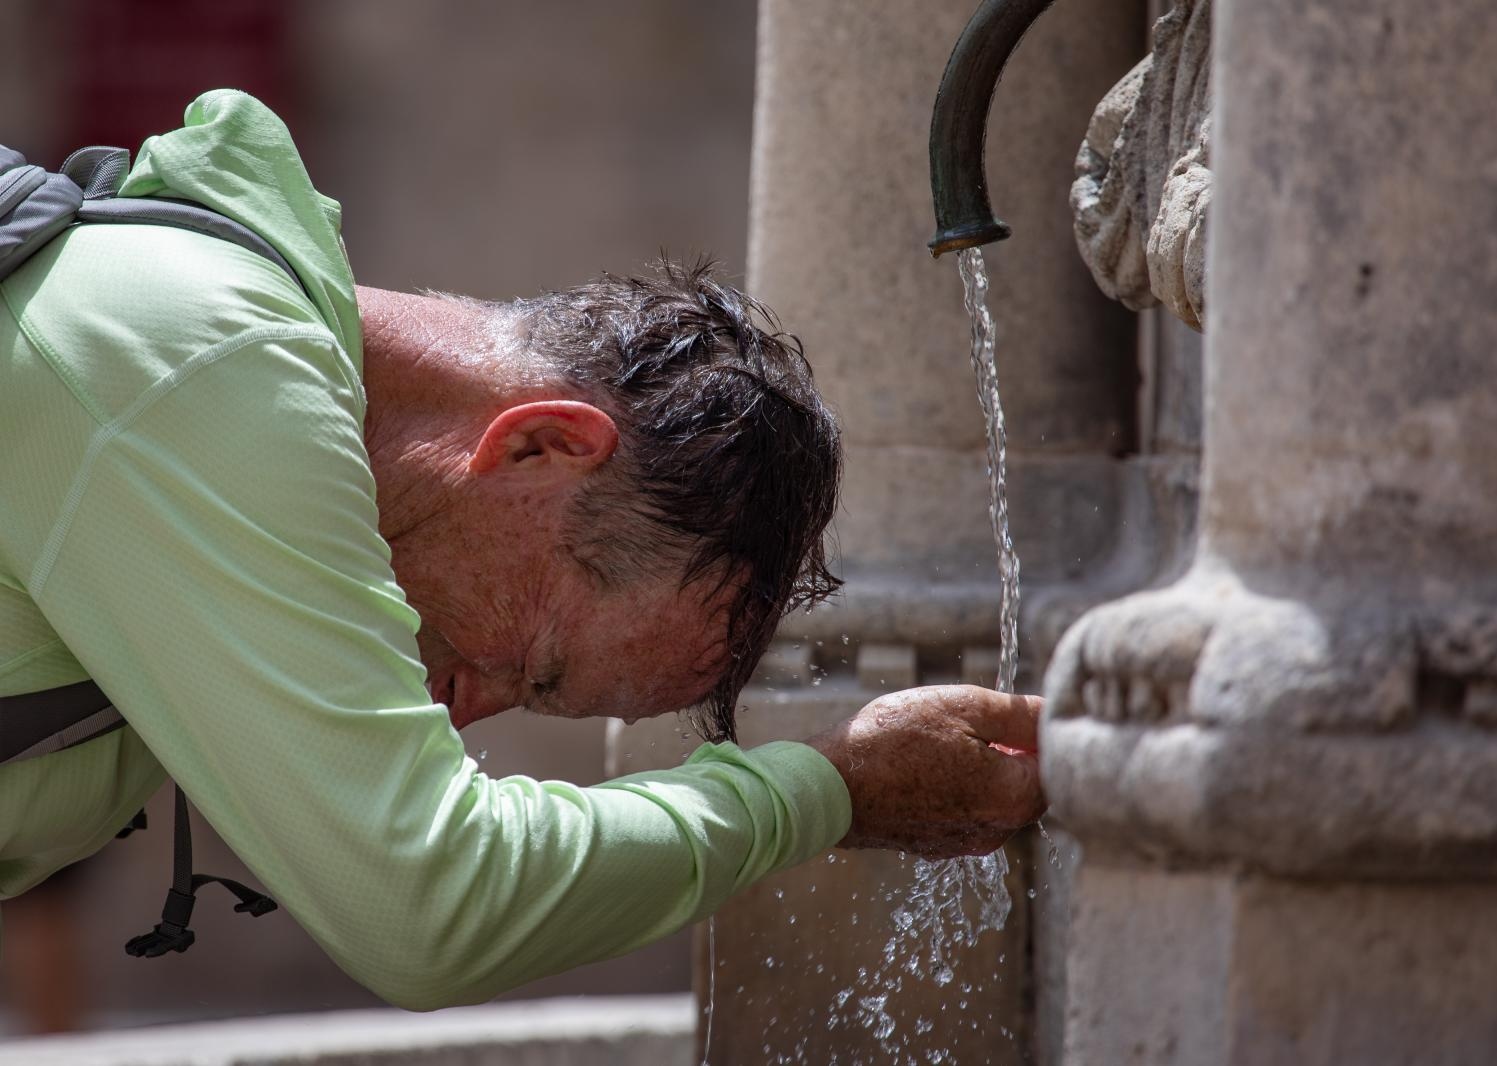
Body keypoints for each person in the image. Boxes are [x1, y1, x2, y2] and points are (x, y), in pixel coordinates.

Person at [0, 90, 1044, 1010]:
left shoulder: (198, 374)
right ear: (542, 446)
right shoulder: (197, 368)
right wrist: (829, 790)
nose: (461, 708)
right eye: (533, 663)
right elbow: (425, 906)